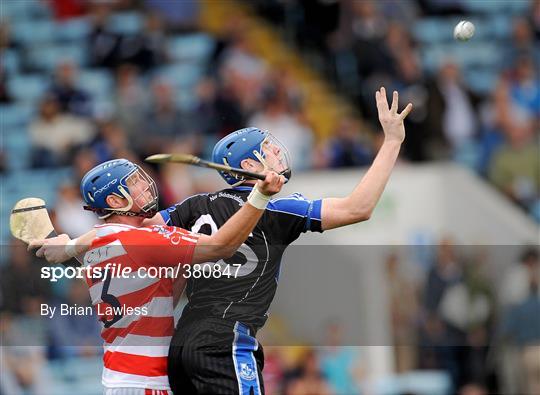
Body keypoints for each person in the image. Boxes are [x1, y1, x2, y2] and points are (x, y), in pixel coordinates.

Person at [37, 87, 412, 394]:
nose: (277, 153)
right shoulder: (279, 210)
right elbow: (359, 208)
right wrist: (392, 140)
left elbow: (125, 229)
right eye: (268, 151)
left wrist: (71, 244)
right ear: (249, 167)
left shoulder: (189, 208)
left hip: (180, 348)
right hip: (226, 339)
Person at [29, 158, 284, 395]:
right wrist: (260, 196)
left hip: (120, 378)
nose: (145, 185)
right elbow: (222, 246)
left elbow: (164, 300)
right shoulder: (140, 240)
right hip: (146, 380)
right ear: (117, 202)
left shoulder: (98, 244)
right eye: (134, 183)